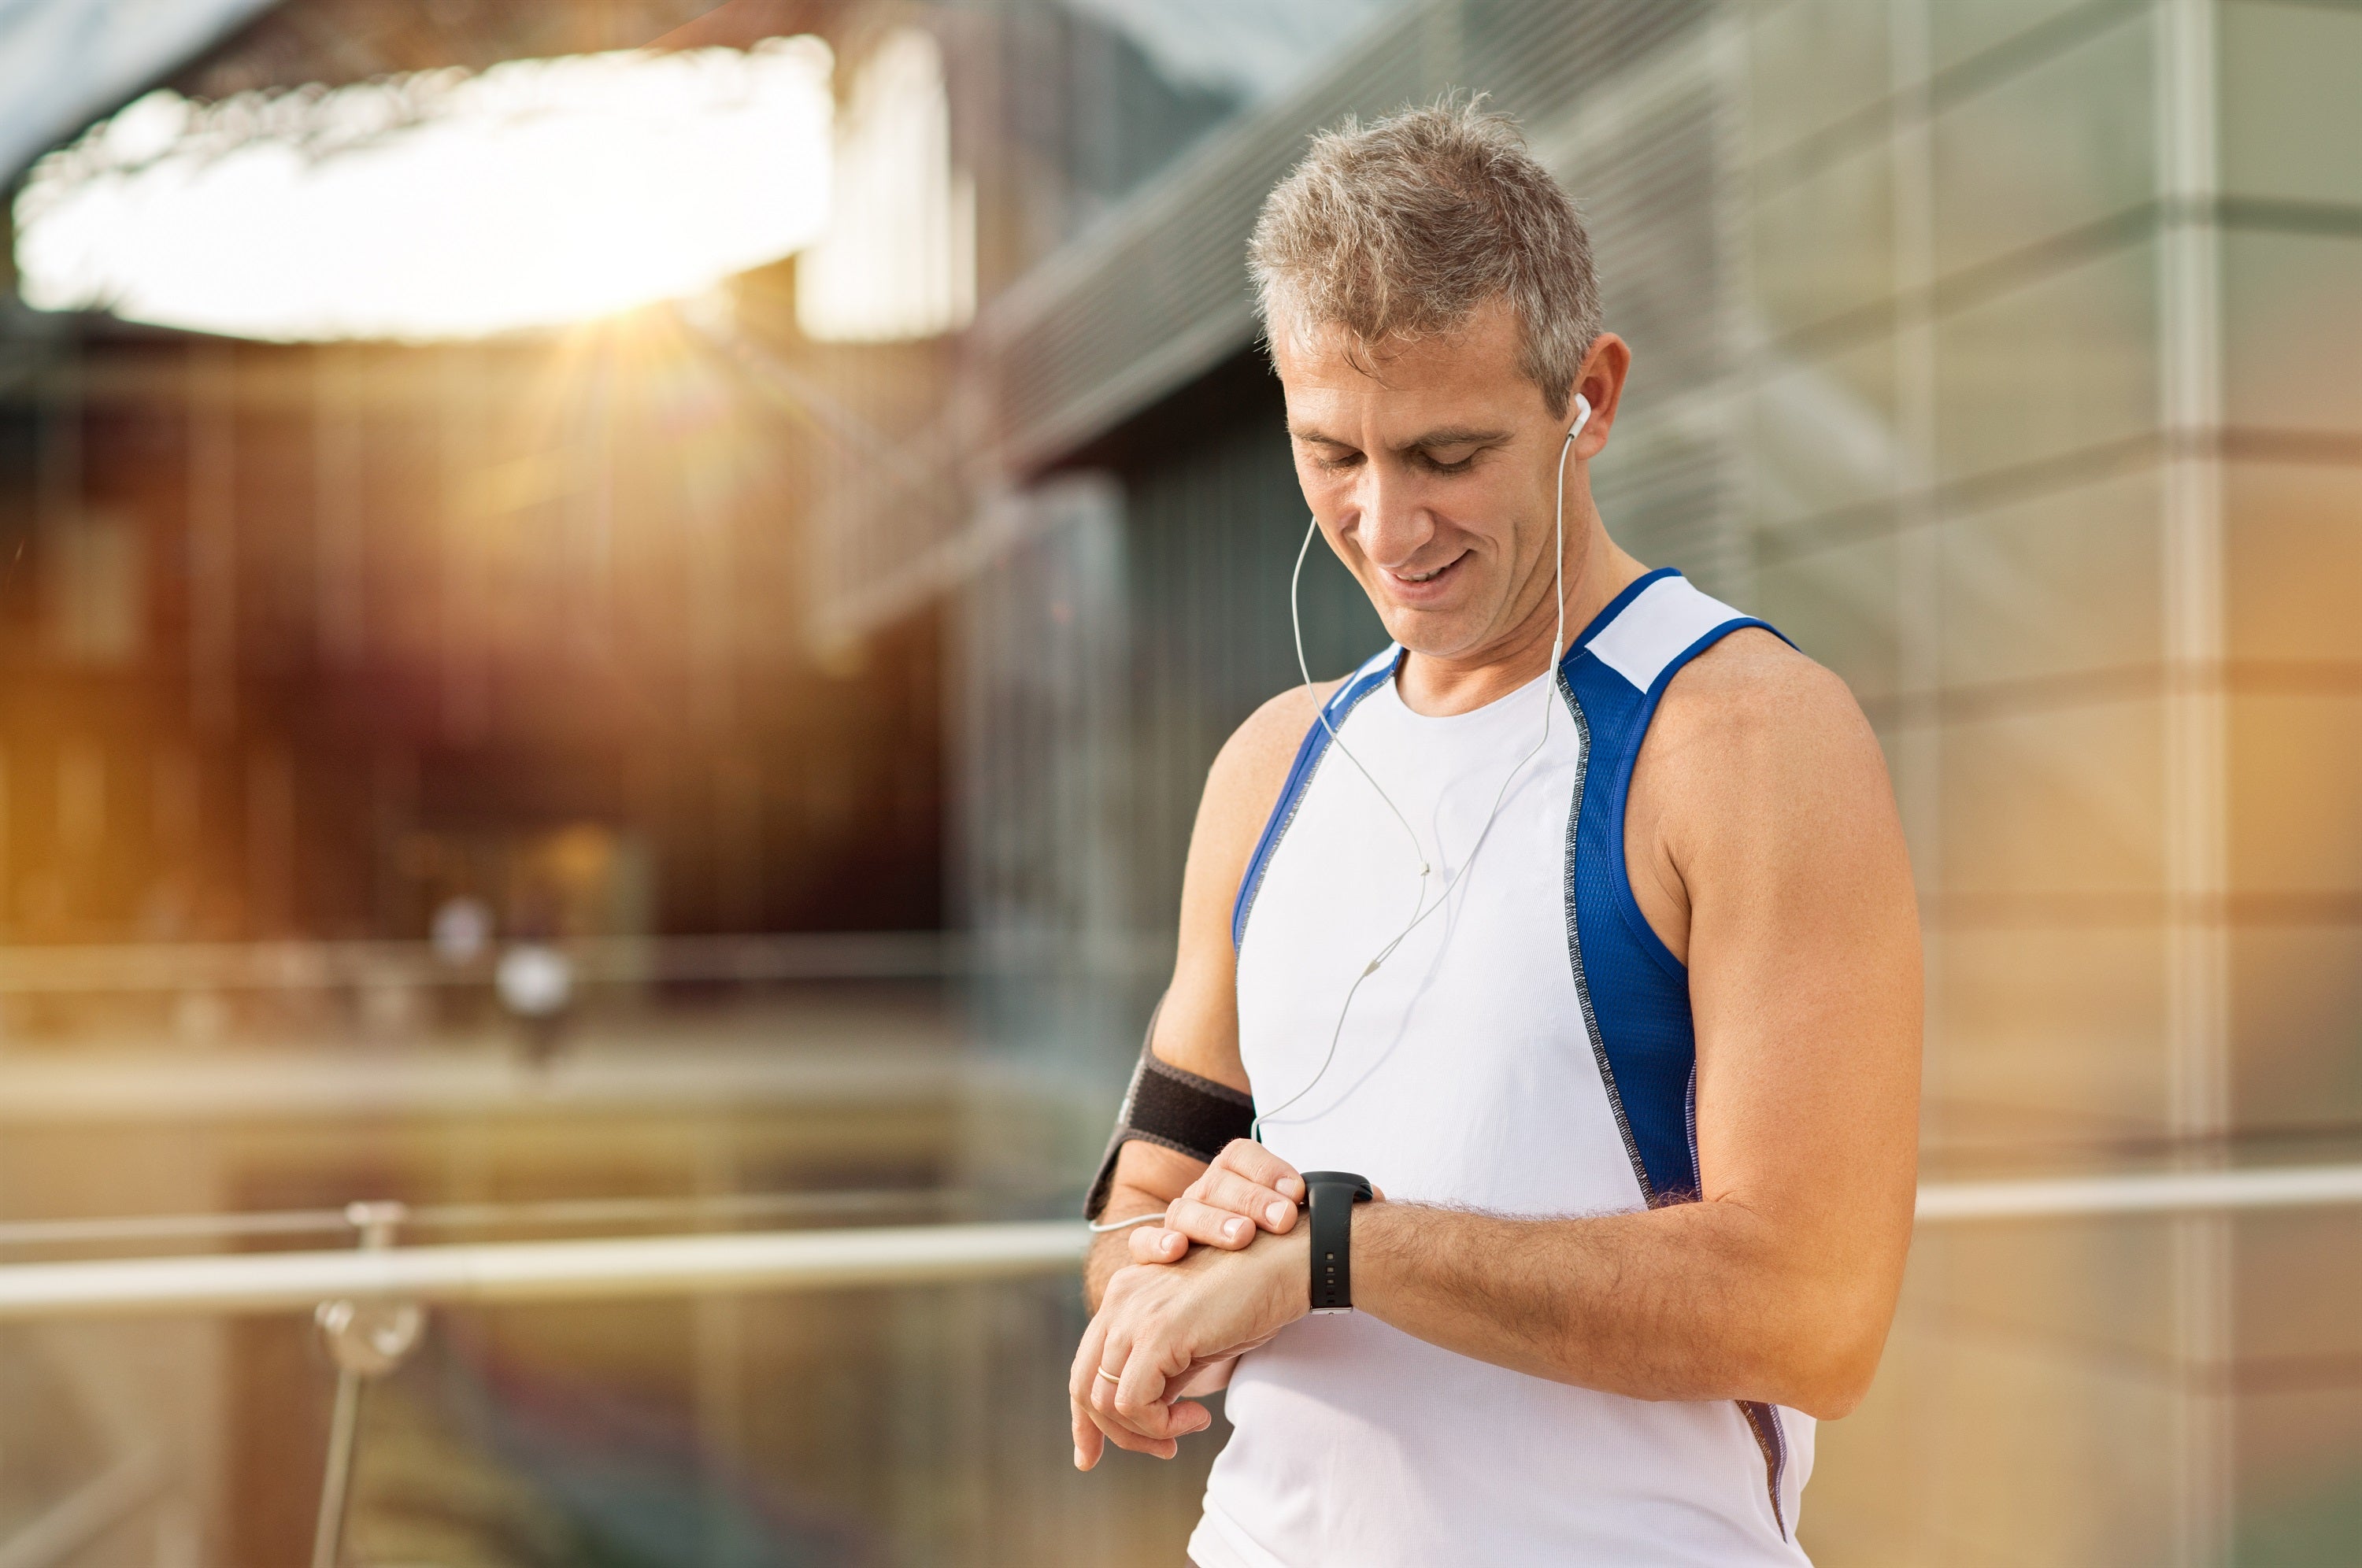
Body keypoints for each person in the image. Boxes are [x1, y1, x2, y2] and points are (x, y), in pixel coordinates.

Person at [1068, 99, 1921, 1566]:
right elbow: (1135, 1206)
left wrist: (1335, 1252)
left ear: (1589, 394)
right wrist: (1166, 1284)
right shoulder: (1271, 766)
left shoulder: (1750, 741)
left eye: (1447, 456)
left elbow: (1817, 1314)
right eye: (1331, 452)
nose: (1387, 527)